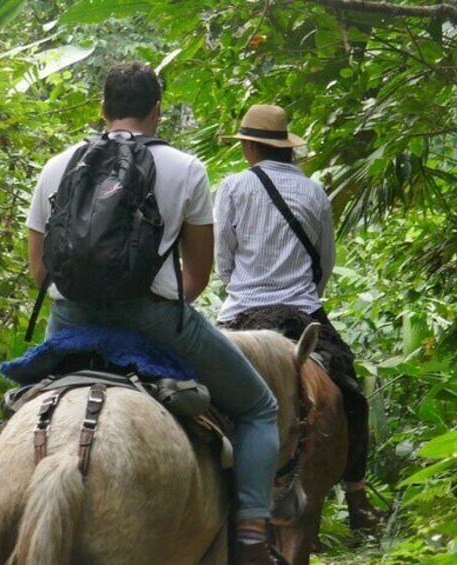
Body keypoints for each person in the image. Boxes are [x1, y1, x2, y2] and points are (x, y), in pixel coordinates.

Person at [26, 63, 283, 564]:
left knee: (23, 403)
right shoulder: (186, 169)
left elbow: (40, 271)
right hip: (154, 321)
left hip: (70, 323)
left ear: (102, 110)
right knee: (259, 408)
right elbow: (199, 275)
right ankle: (252, 534)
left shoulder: (59, 166)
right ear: (156, 111)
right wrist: (162, 302)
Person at [215, 104, 383, 531]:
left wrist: (249, 286)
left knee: (203, 396)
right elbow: (323, 266)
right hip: (303, 313)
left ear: (250, 147)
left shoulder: (233, 188)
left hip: (242, 315)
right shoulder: (313, 192)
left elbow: (223, 264)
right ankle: (356, 494)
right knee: (349, 392)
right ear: (285, 147)